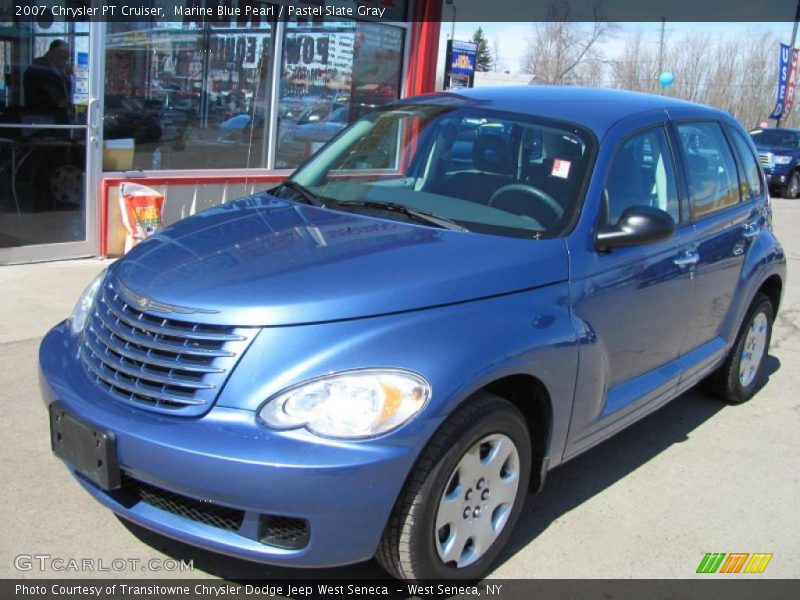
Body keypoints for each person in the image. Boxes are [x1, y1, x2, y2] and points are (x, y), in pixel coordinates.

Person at [23, 39, 74, 124]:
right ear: (52, 53)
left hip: (60, 119)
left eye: (67, 55)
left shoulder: (63, 72)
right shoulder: (37, 70)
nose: (66, 59)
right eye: (62, 54)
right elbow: (37, 95)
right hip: (43, 119)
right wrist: (58, 103)